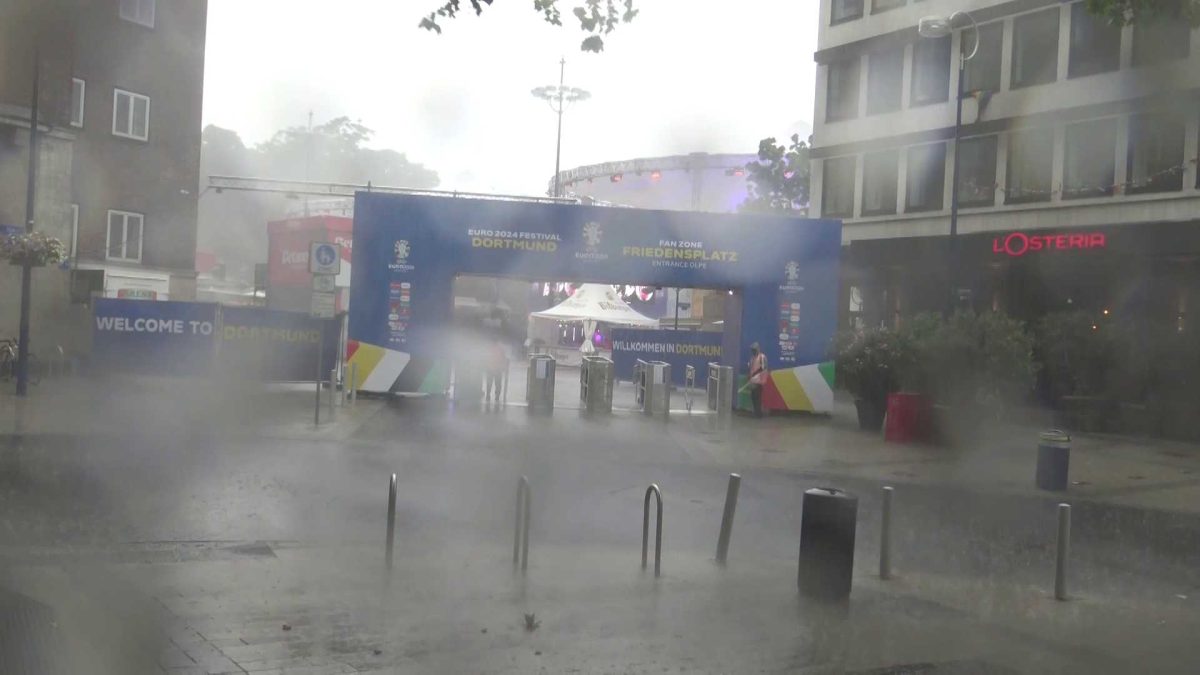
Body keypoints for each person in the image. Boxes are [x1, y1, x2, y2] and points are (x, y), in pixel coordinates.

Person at [747, 342, 768, 418]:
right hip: (753, 380)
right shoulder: (752, 358)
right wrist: (749, 375)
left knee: (757, 397)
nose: (753, 351)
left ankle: (759, 414)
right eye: (752, 350)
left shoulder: (762, 357)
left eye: (754, 350)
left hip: (759, 381)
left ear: (758, 349)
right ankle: (756, 412)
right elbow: (750, 367)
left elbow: (763, 368)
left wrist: (754, 374)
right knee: (753, 397)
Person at [485, 337, 508, 402]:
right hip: (497, 369)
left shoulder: (489, 347)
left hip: (491, 368)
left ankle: (488, 395)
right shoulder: (501, 348)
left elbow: (486, 358)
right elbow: (504, 358)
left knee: (490, 383)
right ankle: (496, 396)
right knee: (497, 383)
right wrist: (504, 367)